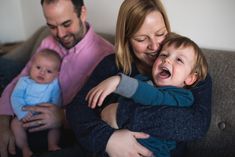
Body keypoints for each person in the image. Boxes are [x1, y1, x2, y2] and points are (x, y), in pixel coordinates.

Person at [67, 0, 212, 157]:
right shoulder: (113, 64)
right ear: (127, 39)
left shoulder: (192, 72)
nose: (155, 47)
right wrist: (108, 139)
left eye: (160, 34)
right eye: (142, 39)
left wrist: (121, 114)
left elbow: (196, 125)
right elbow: (77, 109)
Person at [0, 0, 114, 157]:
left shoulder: (107, 55)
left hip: (70, 134)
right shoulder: (48, 43)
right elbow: (22, 78)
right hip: (24, 122)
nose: (60, 34)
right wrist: (3, 123)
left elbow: (105, 113)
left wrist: (63, 117)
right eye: (52, 26)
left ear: (83, 12)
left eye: (66, 24)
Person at [85, 32, 209, 157]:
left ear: (190, 78)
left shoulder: (183, 97)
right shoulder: (141, 79)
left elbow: (156, 98)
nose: (167, 60)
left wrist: (119, 82)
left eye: (179, 60)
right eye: (164, 55)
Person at [11, 49, 62, 157]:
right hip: (26, 115)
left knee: (56, 127)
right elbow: (16, 97)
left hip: (46, 116)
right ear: (31, 66)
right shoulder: (24, 81)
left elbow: (56, 99)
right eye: (38, 67)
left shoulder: (54, 85)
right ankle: (25, 148)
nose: (42, 72)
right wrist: (21, 112)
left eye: (49, 71)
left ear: (56, 75)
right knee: (15, 124)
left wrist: (54, 112)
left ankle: (52, 145)